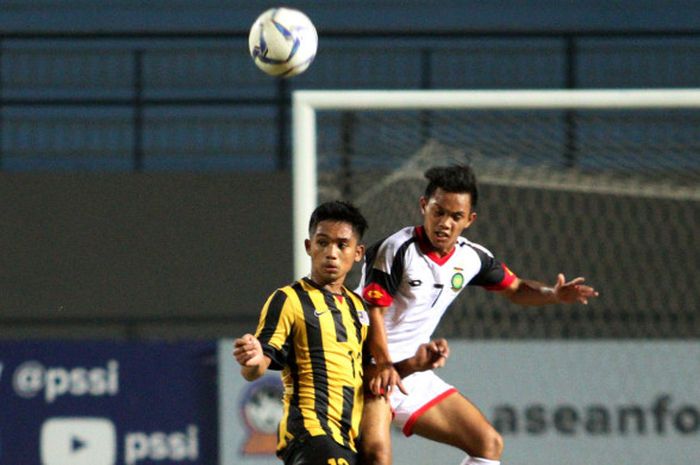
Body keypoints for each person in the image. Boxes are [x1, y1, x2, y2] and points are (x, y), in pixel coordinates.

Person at [358, 165, 599, 465]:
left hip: (413, 373)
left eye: (456, 216)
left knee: (487, 443)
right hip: (369, 368)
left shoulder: (471, 258)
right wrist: (383, 366)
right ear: (423, 206)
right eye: (439, 212)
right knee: (376, 456)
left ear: (469, 220)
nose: (445, 223)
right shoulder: (396, 249)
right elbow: (374, 313)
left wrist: (553, 294)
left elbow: (517, 288)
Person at [233, 200, 450, 465]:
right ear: (308, 246)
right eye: (322, 243)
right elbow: (257, 366)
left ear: (358, 253)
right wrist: (252, 360)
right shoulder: (289, 300)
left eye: (341, 245)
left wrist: (414, 364)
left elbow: (367, 377)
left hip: (347, 441)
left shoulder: (359, 309)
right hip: (310, 435)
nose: (331, 253)